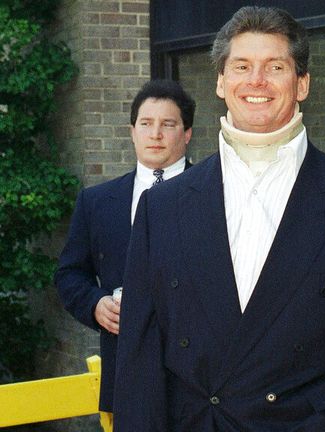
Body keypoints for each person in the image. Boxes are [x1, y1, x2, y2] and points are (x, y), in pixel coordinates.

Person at [113, 6, 325, 432]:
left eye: (275, 67)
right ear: (221, 82)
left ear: (302, 84)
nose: (256, 81)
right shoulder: (161, 207)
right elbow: (138, 358)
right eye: (242, 66)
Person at [55, 79, 196, 416]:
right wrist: (96, 304)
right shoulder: (97, 202)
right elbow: (69, 274)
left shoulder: (218, 195)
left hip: (201, 380)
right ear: (132, 132)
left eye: (168, 124)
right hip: (127, 375)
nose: (156, 134)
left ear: (187, 134)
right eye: (146, 124)